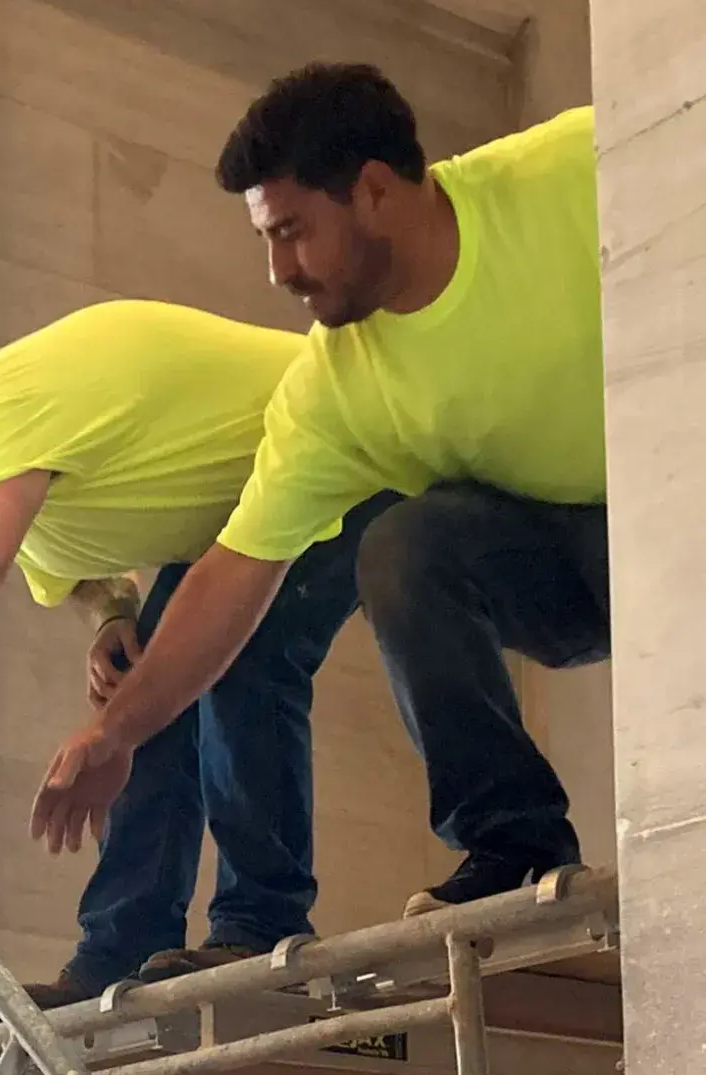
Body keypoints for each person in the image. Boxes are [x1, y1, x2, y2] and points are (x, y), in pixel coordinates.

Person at [31, 66, 607, 916]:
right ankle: (516, 849)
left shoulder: (571, 168)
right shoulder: (334, 392)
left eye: (292, 231)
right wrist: (116, 733)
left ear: (374, 191)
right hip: (580, 562)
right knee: (405, 547)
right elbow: (232, 573)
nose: (277, 271)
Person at [0, 304, 394, 1007]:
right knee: (143, 681)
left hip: (351, 436)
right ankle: (122, 949)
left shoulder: (3, 402)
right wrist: (112, 617)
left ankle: (262, 928)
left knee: (239, 661)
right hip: (260, 501)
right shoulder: (12, 482)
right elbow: (82, 574)